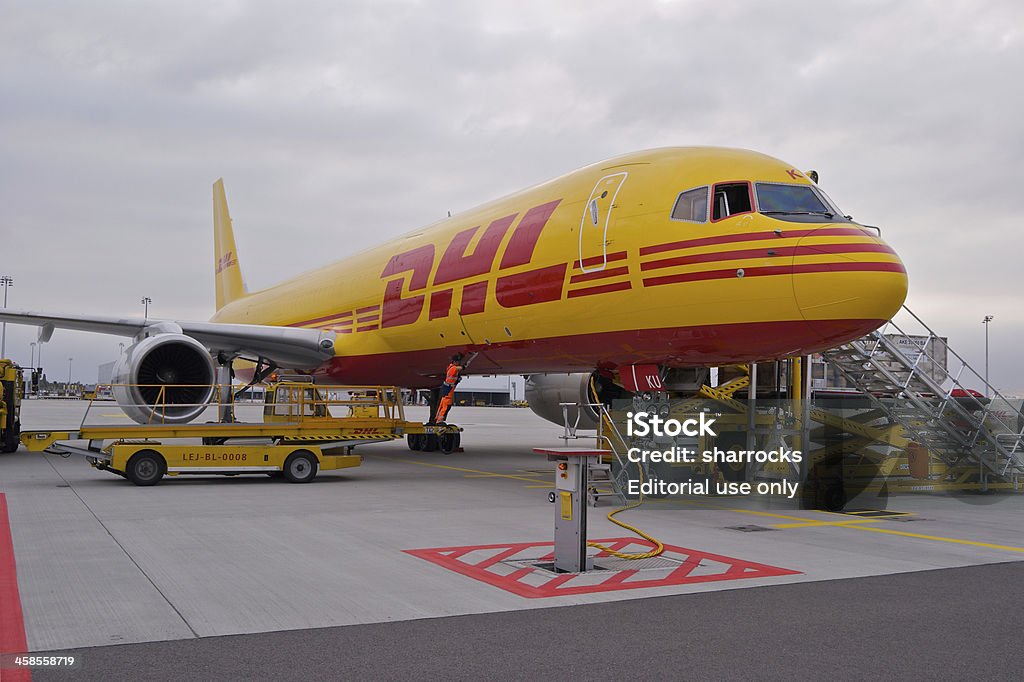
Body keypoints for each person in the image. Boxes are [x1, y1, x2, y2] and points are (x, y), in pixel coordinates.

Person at [434, 353, 464, 423]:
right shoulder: (453, 368)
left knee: (445, 404)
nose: (459, 363)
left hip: (448, 388)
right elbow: (461, 368)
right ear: (454, 362)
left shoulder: (450, 367)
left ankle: (438, 419)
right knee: (446, 405)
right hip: (448, 389)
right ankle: (439, 420)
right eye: (458, 361)